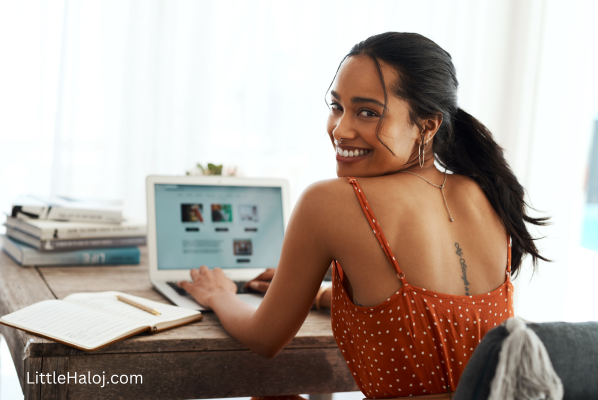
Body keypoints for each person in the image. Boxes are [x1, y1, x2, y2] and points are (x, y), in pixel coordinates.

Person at [178, 32, 547, 398]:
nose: (341, 129)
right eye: (337, 106)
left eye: (368, 112)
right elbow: (442, 317)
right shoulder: (487, 192)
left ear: (428, 125)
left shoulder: (332, 201)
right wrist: (322, 295)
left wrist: (218, 294)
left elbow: (265, 338)